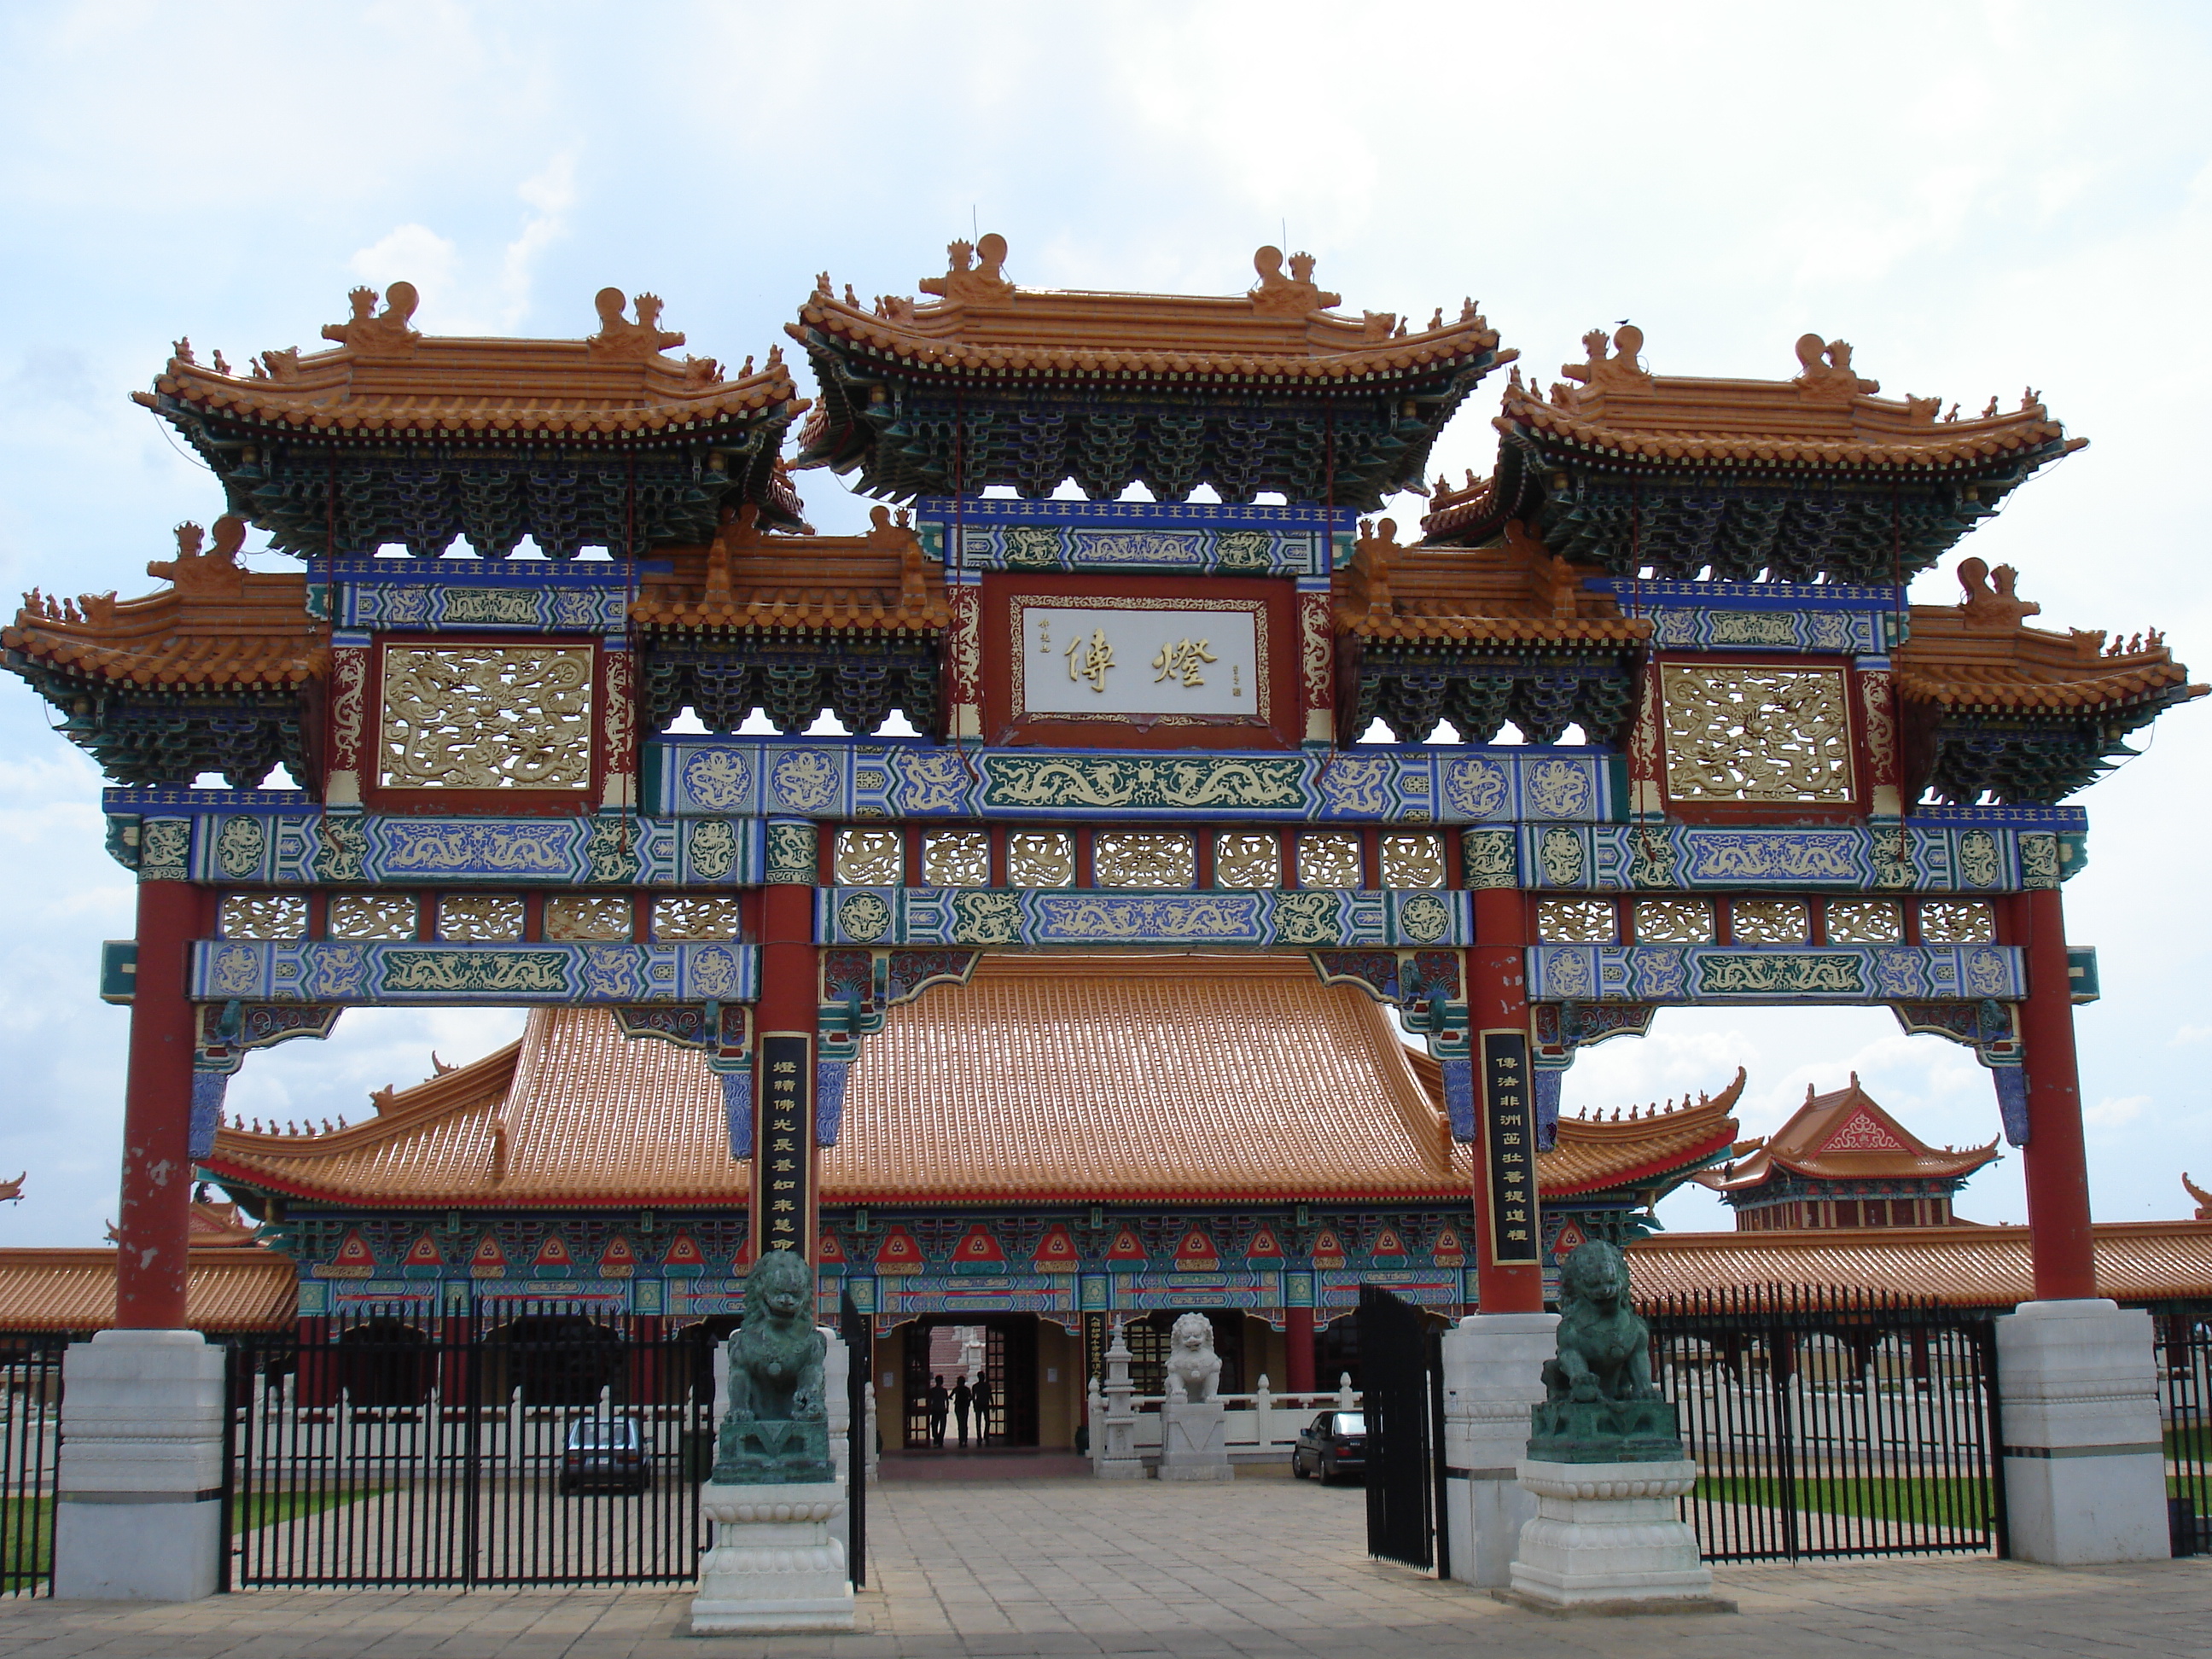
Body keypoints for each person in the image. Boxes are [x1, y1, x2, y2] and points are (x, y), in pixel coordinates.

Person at [926, 1374, 949, 1449]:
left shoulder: (933, 1390)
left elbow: (929, 1400)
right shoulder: (944, 1390)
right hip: (942, 1409)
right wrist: (947, 1408)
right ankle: (940, 1439)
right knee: (942, 1425)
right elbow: (947, 1400)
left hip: (935, 1408)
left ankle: (936, 1437)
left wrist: (929, 1408)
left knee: (934, 1425)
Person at [971, 1372, 994, 1446]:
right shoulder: (987, 1385)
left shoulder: (975, 1386)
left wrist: (974, 1405)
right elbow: (990, 1395)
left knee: (978, 1421)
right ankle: (986, 1434)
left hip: (979, 1404)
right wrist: (992, 1404)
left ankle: (979, 1436)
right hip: (985, 1404)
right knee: (987, 1421)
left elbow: (973, 1397)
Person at [952, 1375, 973, 1449]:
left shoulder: (956, 1389)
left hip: (958, 1406)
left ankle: (961, 1438)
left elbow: (950, 1396)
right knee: (964, 1422)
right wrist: (968, 1402)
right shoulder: (967, 1389)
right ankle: (965, 1438)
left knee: (960, 1423)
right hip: (965, 1407)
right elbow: (971, 1397)